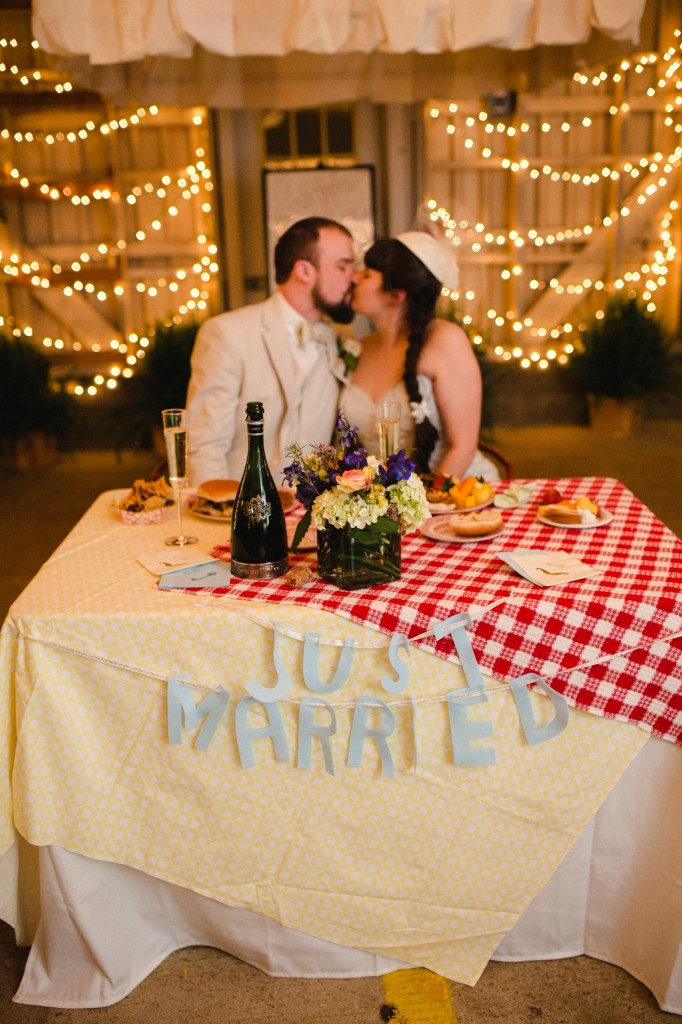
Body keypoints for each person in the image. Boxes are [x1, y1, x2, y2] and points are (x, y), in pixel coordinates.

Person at [185, 216, 356, 485]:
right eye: (343, 266)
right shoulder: (227, 333)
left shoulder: (343, 340)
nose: (353, 277)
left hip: (313, 516)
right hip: (245, 510)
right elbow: (205, 445)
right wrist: (217, 517)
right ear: (304, 271)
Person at [341, 231, 499, 480]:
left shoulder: (446, 341)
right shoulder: (359, 347)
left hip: (454, 492)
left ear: (396, 295)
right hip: (386, 506)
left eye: (367, 274)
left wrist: (423, 508)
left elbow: (463, 447)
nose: (354, 277)